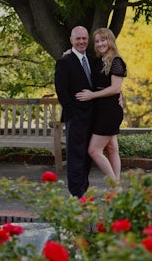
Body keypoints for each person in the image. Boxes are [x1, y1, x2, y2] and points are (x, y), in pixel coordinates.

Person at [76, 28, 127, 181]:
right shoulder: (98, 61)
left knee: (94, 150)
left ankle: (115, 187)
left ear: (110, 40)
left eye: (103, 40)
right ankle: (117, 190)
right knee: (111, 149)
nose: (100, 44)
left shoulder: (116, 61)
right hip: (100, 110)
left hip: (110, 111)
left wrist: (92, 95)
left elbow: (115, 88)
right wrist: (69, 54)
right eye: (97, 41)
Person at [55, 26, 94, 198]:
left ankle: (83, 189)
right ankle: (75, 193)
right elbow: (61, 92)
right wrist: (72, 113)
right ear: (71, 40)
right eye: (78, 38)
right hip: (75, 117)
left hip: (94, 116)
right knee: (75, 155)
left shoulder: (92, 61)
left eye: (84, 38)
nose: (81, 41)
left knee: (88, 155)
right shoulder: (64, 62)